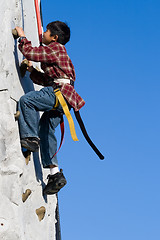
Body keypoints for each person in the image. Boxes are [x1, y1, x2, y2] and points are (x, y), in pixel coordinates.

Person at [15, 21, 85, 195]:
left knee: (27, 101)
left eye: (46, 31)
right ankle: (55, 174)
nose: (43, 33)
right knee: (46, 129)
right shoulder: (58, 53)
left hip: (59, 93)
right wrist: (32, 71)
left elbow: (31, 52)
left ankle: (30, 138)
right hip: (64, 98)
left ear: (54, 37)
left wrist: (22, 37)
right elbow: (46, 80)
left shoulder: (56, 48)